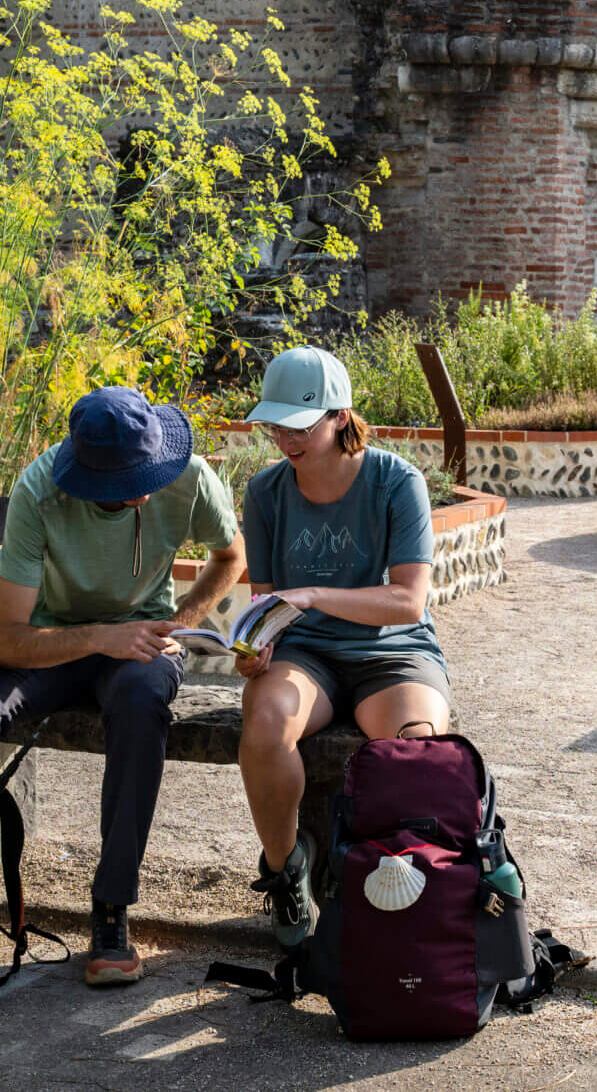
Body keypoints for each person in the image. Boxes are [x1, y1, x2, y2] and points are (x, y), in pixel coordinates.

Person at [0, 385, 244, 986]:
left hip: (138, 648)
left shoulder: (189, 476)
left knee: (142, 701)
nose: (147, 489)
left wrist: (180, 622)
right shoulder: (39, 491)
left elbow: (230, 555)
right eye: (128, 483)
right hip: (52, 641)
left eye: (149, 471)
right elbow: (7, 641)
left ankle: (111, 907)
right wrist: (101, 636)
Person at [232, 346, 451, 946]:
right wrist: (254, 646)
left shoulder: (396, 480)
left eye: (300, 423)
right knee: (267, 718)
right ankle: (285, 870)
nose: (286, 438)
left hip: (394, 652)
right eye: (276, 424)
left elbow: (408, 601)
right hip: (306, 658)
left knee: (419, 753)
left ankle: (408, 895)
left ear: (340, 415)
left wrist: (316, 595)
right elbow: (267, 603)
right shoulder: (265, 492)